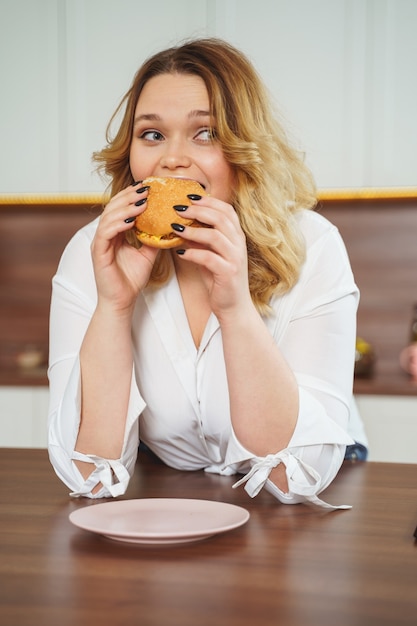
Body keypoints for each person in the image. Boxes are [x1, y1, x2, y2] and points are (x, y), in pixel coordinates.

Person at [48, 38, 360, 509]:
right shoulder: (92, 253)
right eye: (151, 135)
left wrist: (234, 308)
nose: (172, 158)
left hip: (317, 487)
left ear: (242, 149)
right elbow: (89, 478)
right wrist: (114, 307)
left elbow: (293, 479)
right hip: (172, 492)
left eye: (205, 133)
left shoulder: (314, 246)